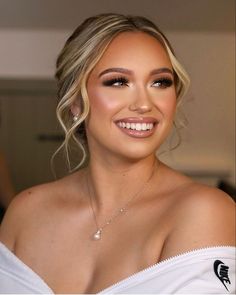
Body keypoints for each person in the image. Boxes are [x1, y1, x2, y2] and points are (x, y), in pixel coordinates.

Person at [0, 13, 235, 294]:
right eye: (118, 82)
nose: (144, 104)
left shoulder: (204, 211)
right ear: (75, 101)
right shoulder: (26, 211)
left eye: (160, 82)